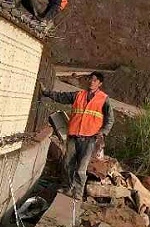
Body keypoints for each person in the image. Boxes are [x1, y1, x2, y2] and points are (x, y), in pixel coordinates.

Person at [42, 71, 113, 199]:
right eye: (91, 79)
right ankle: (67, 187)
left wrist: (103, 132)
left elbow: (110, 120)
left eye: (95, 80)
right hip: (74, 136)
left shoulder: (104, 99)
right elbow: (61, 97)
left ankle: (78, 193)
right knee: (67, 163)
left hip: (89, 139)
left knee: (81, 168)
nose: (92, 82)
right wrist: (46, 92)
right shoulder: (78, 95)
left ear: (100, 84)